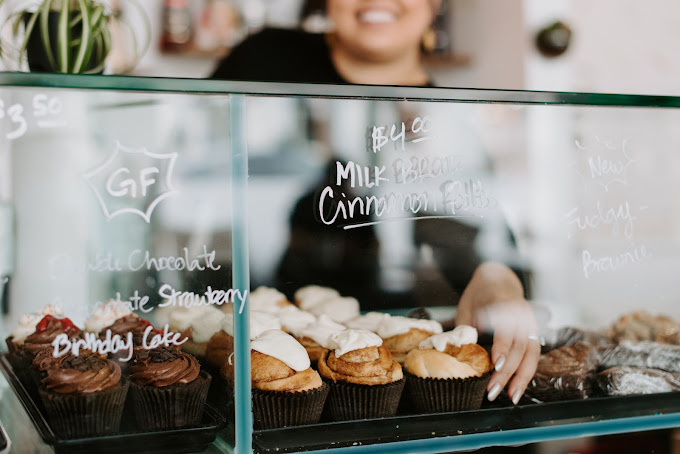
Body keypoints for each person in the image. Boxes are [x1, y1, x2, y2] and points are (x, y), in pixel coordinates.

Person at [211, 0, 540, 406]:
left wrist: (498, 277)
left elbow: (489, 242)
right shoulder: (264, 59)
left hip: (396, 381)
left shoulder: (446, 120)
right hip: (258, 366)